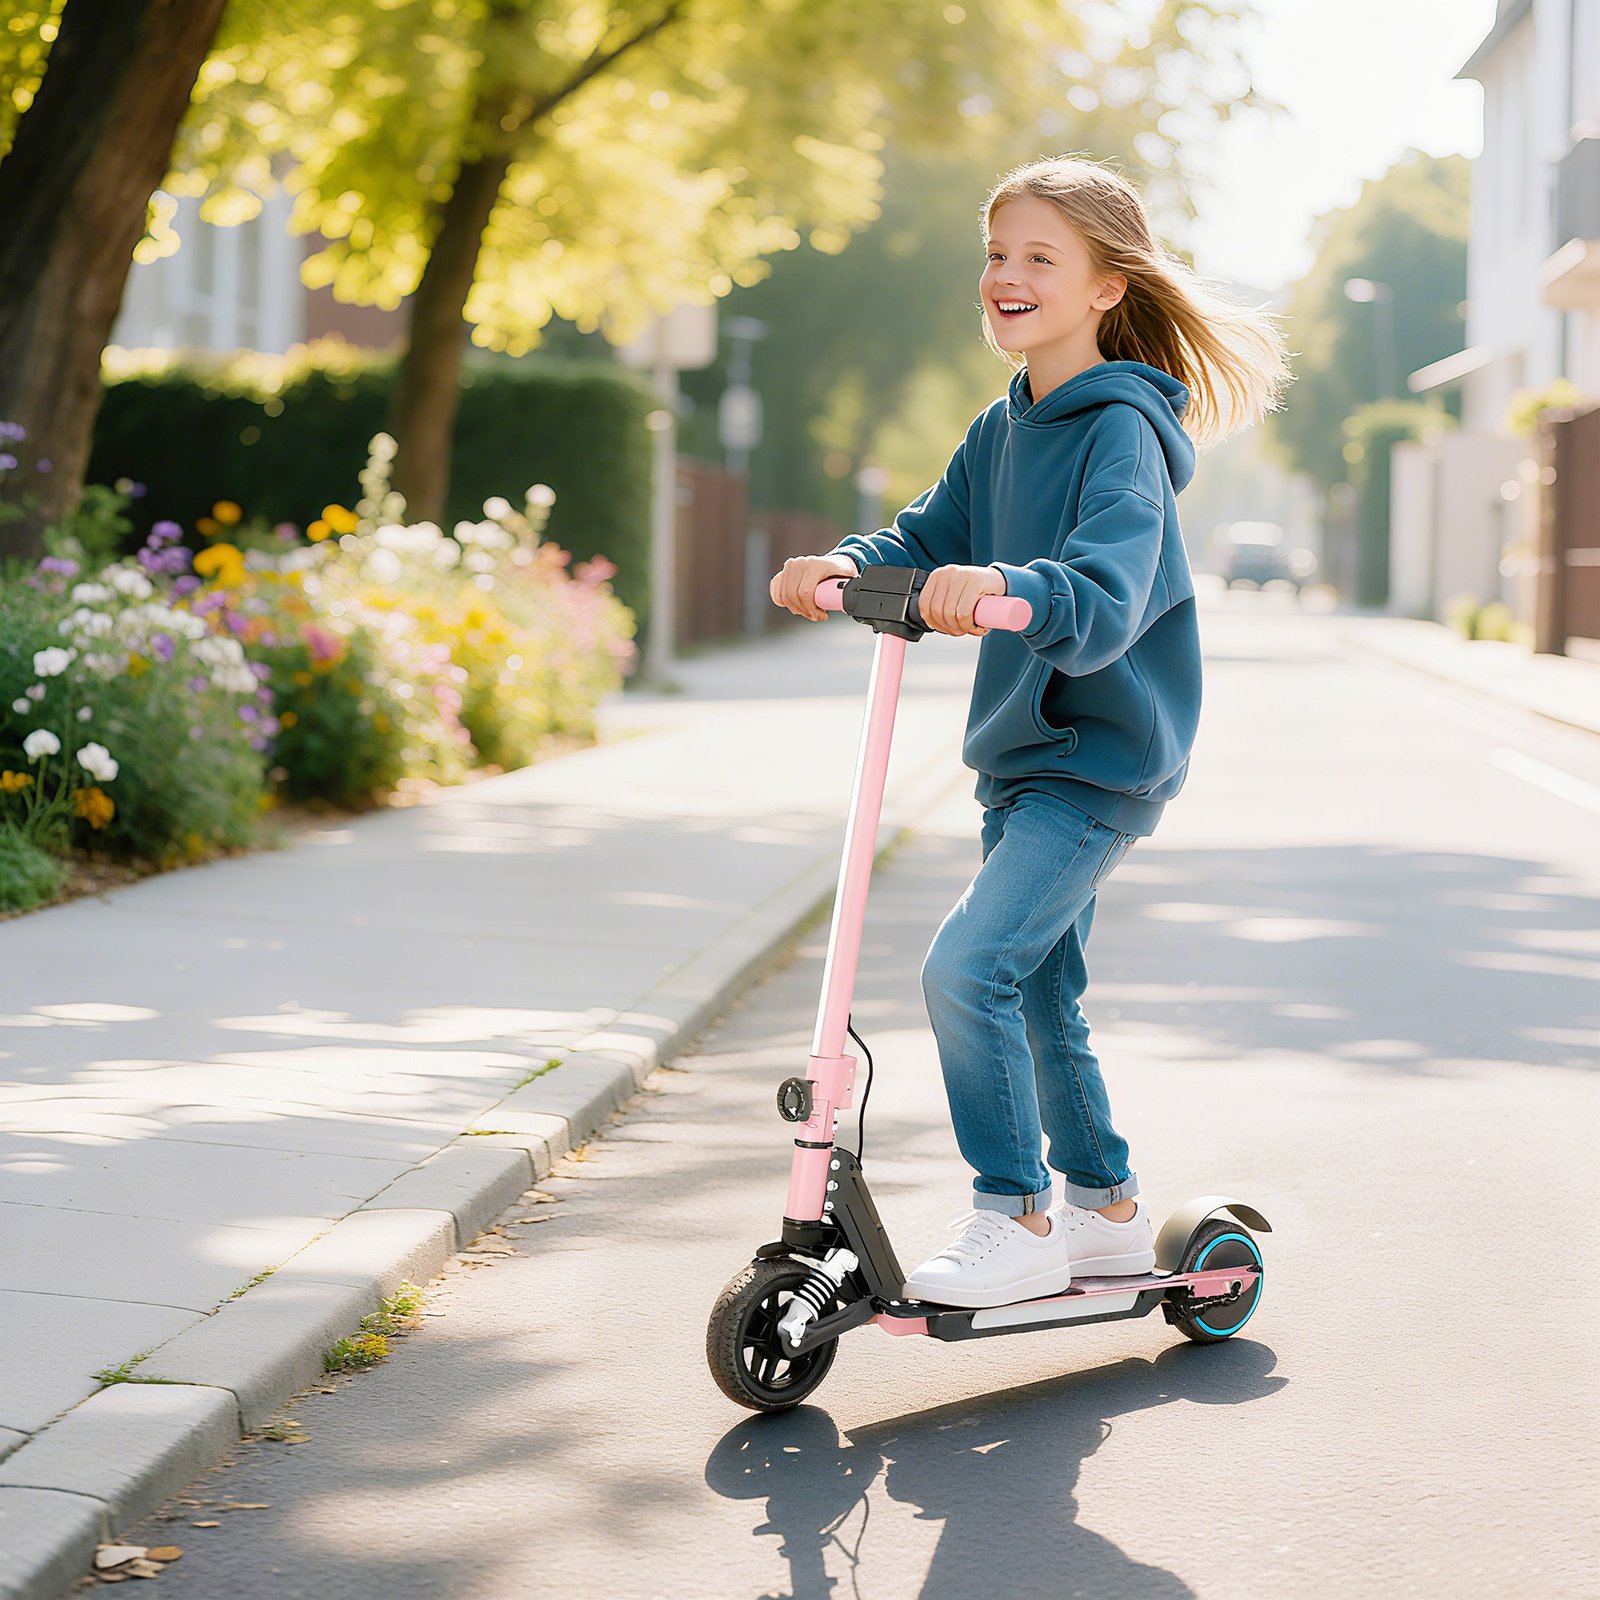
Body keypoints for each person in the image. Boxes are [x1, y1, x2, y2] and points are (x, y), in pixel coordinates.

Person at [769, 154, 1293, 1309]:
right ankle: (1106, 1212)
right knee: (1039, 988)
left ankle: (1012, 1214)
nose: (1004, 276)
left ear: (1108, 286)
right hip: (1019, 759)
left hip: (1097, 761)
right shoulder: (1001, 425)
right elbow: (923, 530)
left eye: (1037, 258)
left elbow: (1104, 591)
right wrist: (852, 566)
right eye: (996, 255)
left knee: (967, 968)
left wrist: (1006, 584)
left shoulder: (1125, 437)